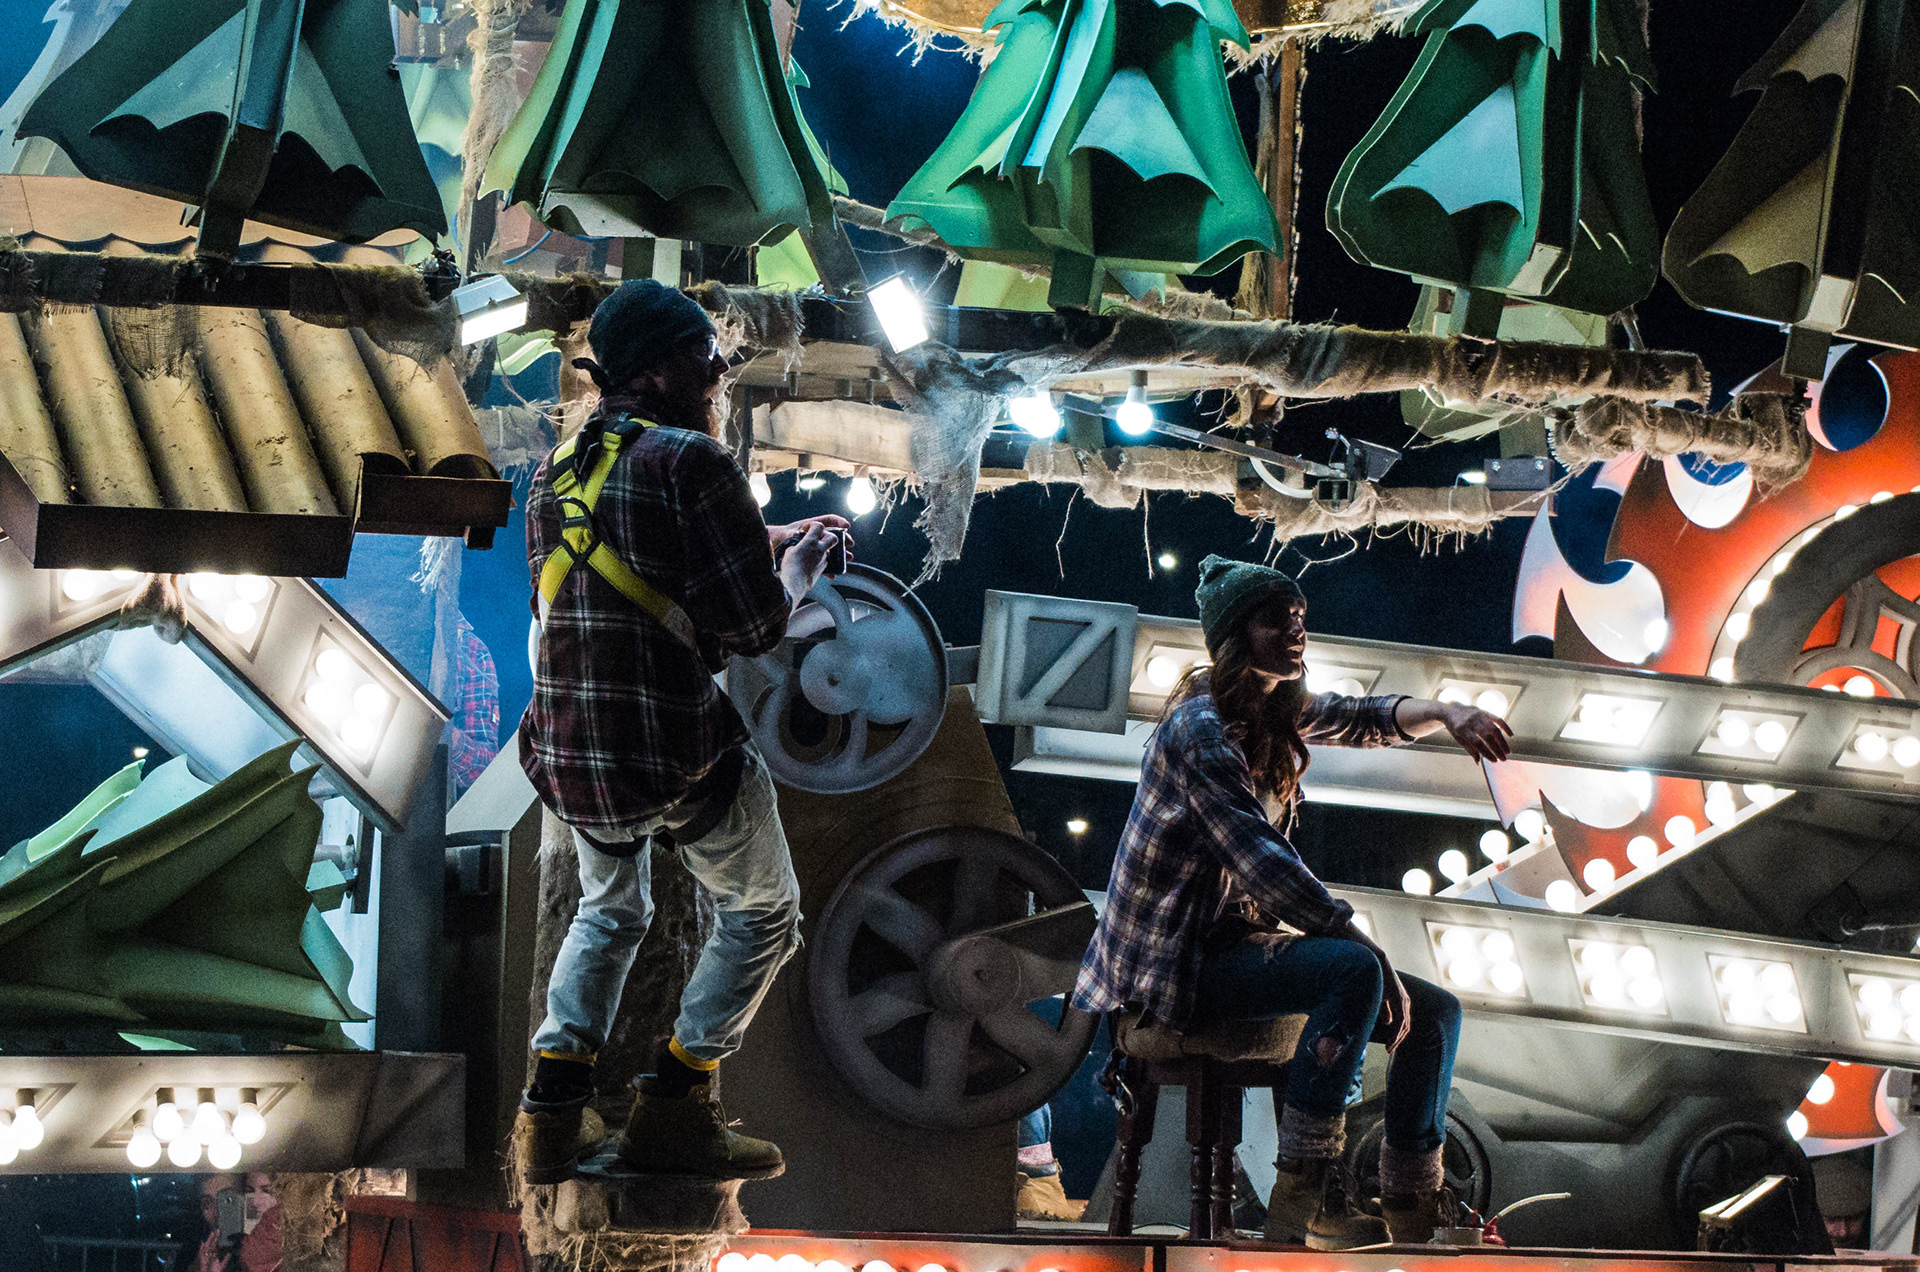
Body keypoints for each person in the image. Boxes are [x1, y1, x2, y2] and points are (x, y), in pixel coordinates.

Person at [1072, 555, 1512, 1248]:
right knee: (1354, 970)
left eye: (1300, 617)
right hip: (1175, 969)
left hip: (1230, 948)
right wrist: (1365, 946)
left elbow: (1360, 716)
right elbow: (1260, 858)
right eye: (1275, 619)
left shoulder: (1269, 709)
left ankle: (1412, 1210)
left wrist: (1447, 711)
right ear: (1233, 635)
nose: (1295, 630)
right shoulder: (1200, 728)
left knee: (1435, 1015)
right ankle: (1304, 1202)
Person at [512, 278, 849, 1185]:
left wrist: (768, 533)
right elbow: (756, 629)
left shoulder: (556, 474)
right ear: (661, 372)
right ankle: (676, 1100)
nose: (718, 375)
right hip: (667, 753)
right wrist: (804, 570)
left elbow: (629, 554)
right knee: (764, 912)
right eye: (707, 359)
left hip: (571, 758)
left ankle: (550, 1117)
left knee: (610, 911)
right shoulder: (696, 463)